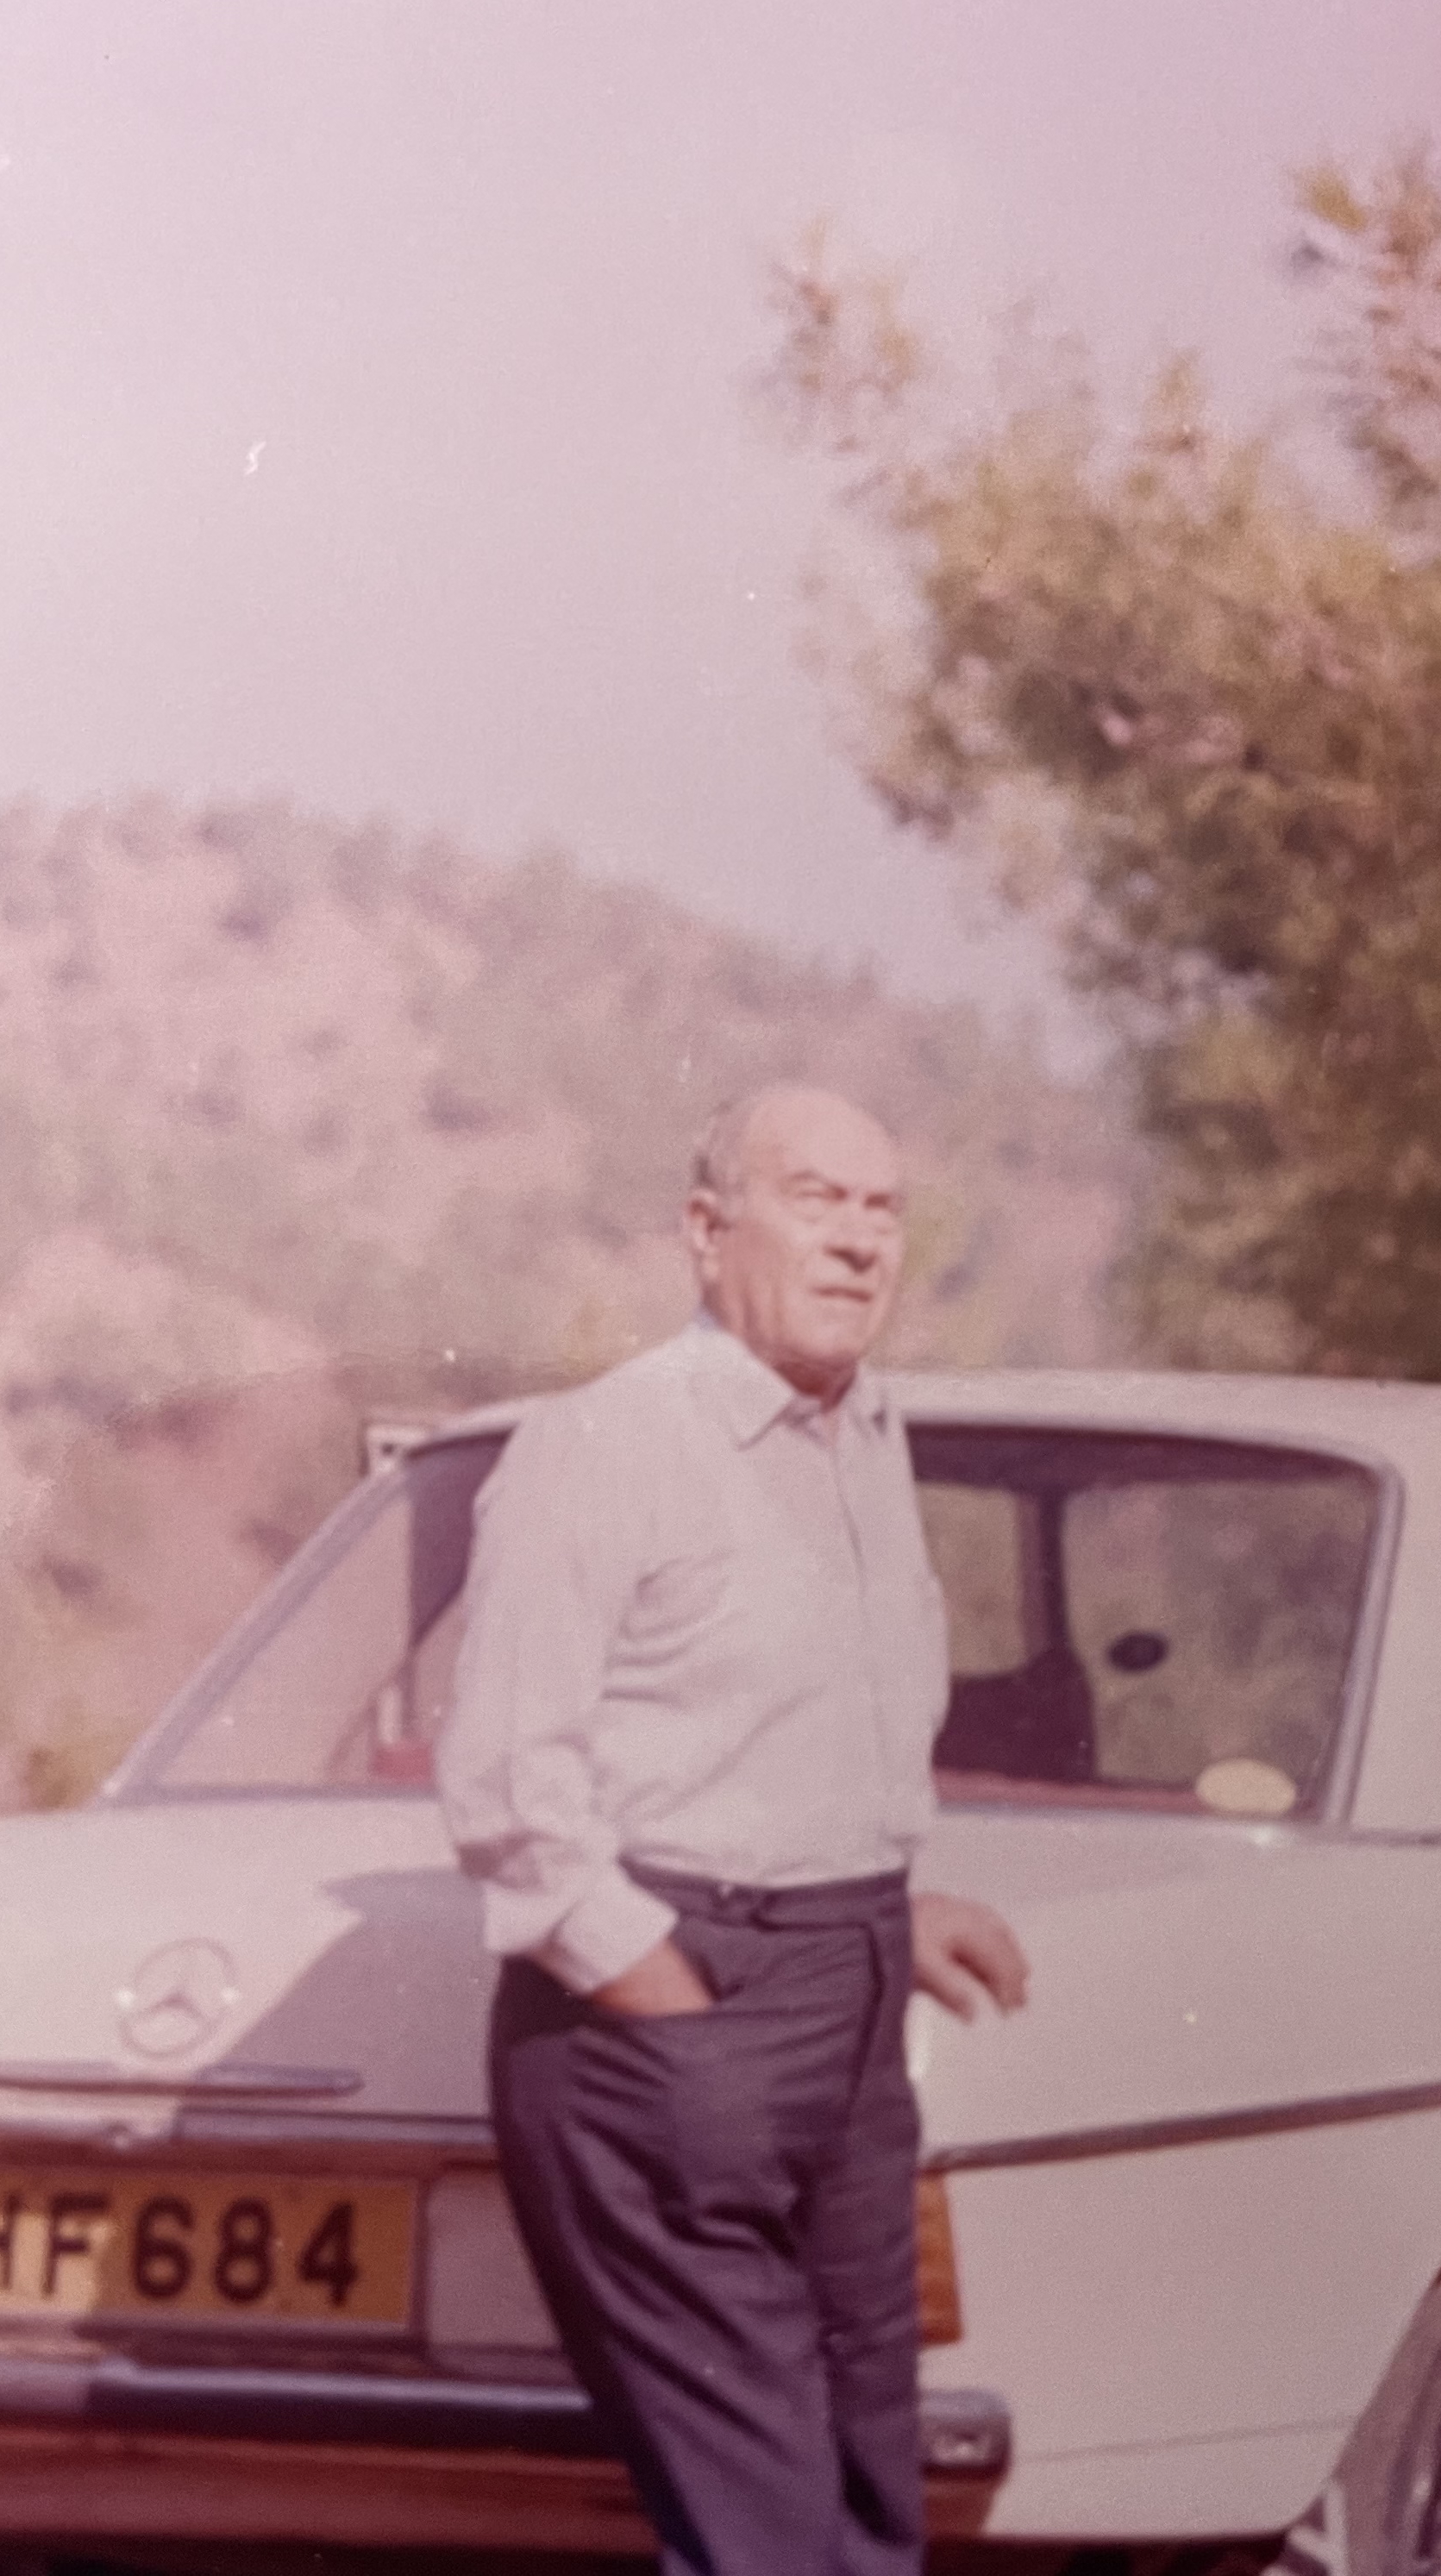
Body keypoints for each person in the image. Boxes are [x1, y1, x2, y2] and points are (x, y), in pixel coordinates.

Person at [435, 1080, 1031, 2576]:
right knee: (762, 2533)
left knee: (863, 2502)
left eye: (881, 1210)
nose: (856, 1245)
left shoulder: (863, 1441)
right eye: (813, 1201)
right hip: (671, 2026)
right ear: (707, 1232)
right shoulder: (606, 1446)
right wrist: (669, 2005)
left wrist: (890, 1901)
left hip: (845, 2004)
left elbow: (777, 1732)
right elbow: (510, 1789)